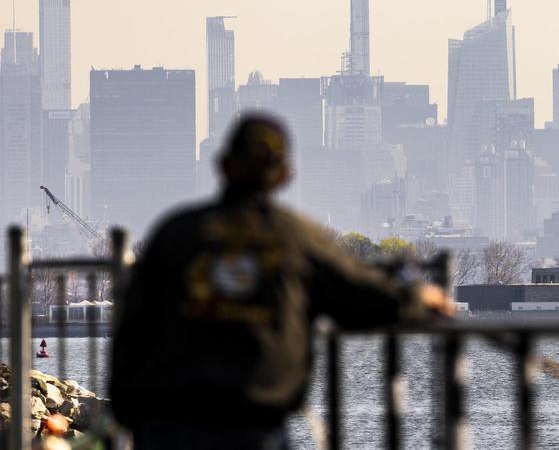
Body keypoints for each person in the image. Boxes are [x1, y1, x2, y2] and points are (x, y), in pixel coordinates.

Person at [111, 115, 453, 449]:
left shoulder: (176, 234)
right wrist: (419, 297)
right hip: (256, 425)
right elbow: (362, 295)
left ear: (223, 165)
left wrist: (128, 413)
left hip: (169, 424)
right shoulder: (297, 239)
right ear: (285, 176)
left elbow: (132, 329)